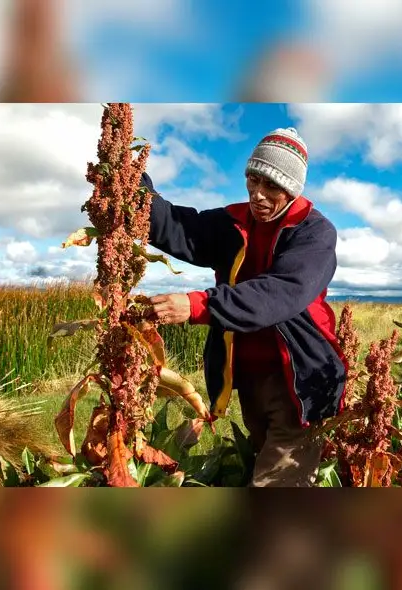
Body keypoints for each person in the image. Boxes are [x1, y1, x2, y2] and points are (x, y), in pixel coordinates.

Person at [145, 127, 348, 487]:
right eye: (253, 180)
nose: (258, 194)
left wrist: (197, 305)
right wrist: (134, 187)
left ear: (293, 189)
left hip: (300, 381)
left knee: (276, 485)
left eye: (271, 186)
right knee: (263, 464)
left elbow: (279, 293)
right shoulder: (235, 221)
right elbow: (180, 227)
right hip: (252, 378)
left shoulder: (314, 233)